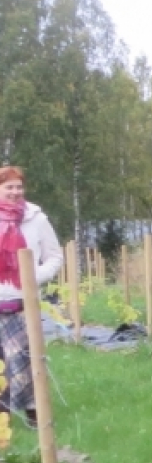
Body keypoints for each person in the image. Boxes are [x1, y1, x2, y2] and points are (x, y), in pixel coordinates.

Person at [0, 166, 62, 428]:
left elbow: (55, 256)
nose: (15, 192)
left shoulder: (36, 218)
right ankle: (3, 422)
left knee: (25, 361)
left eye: (18, 187)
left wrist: (33, 275)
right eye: (8, 187)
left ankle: (35, 418)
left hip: (23, 304)